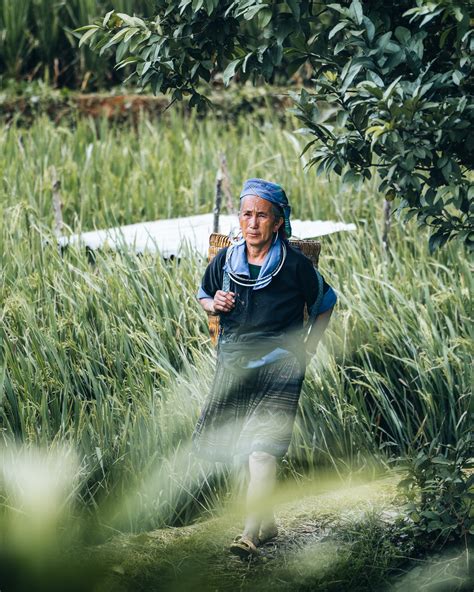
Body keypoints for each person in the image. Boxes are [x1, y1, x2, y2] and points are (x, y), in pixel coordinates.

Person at [193, 178, 337, 559]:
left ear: (277, 222)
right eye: (246, 214)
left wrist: (307, 348)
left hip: (281, 368)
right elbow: (203, 294)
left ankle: (249, 534)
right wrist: (214, 304)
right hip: (235, 366)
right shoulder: (226, 261)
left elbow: (327, 301)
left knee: (261, 451)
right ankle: (268, 522)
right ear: (239, 219)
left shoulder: (293, 266)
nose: (253, 222)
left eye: (262, 215)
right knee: (244, 448)